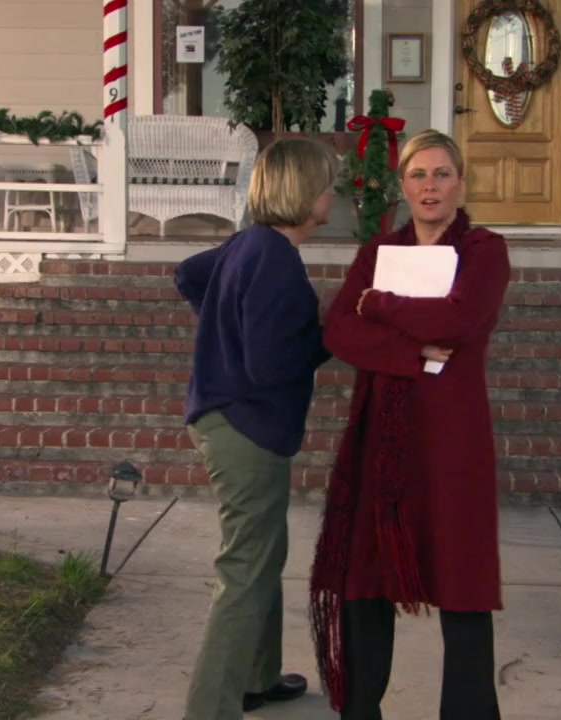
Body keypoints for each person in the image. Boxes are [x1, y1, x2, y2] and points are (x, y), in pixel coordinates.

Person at [310, 129, 510, 720]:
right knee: (366, 575)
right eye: (418, 174)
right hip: (384, 437)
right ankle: (360, 710)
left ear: (461, 184)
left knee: (461, 577)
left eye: (442, 174)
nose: (430, 186)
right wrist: (412, 353)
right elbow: (340, 330)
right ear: (402, 185)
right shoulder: (380, 252)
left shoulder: (484, 251)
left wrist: (382, 305)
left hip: (452, 438)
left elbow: (459, 319)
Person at [174, 137, 337, 720]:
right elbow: (271, 365)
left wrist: (225, 326)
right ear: (305, 193)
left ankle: (255, 679)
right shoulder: (275, 259)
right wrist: (331, 335)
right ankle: (210, 709)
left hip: (222, 416)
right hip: (246, 426)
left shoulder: (250, 243)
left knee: (262, 553)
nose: (332, 194)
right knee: (246, 567)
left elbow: (189, 274)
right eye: (327, 184)